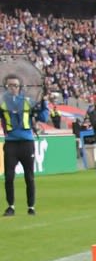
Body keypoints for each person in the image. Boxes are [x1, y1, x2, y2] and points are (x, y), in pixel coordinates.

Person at [3, 71, 50, 216]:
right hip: (11, 142)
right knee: (9, 176)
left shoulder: (28, 101)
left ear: (20, 87)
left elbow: (42, 116)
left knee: (29, 176)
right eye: (10, 85)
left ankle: (31, 206)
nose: (13, 88)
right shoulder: (2, 102)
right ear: (6, 87)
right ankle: (11, 206)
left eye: (15, 85)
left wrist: (44, 102)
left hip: (26, 142)